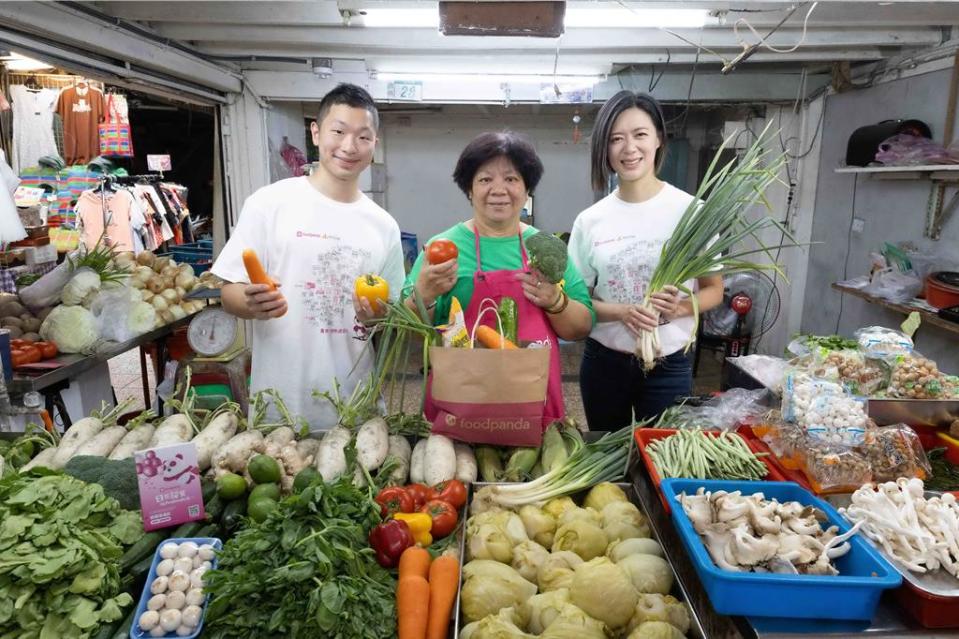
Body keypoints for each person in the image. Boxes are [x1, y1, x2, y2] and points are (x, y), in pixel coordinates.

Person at [212, 84, 405, 430]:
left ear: (374, 144)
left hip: (355, 407)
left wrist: (378, 316)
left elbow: (392, 314)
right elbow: (228, 293)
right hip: (279, 405)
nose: (349, 146)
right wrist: (249, 302)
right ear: (316, 133)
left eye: (363, 137)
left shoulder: (383, 225)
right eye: (339, 131)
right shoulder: (269, 204)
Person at [405, 131, 595, 425]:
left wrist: (556, 301)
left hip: (533, 400)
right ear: (468, 188)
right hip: (461, 402)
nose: (498, 189)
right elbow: (408, 329)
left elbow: (580, 327)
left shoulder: (547, 250)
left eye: (511, 179)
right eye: (484, 179)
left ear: (527, 188)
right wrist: (424, 295)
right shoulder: (441, 248)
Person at [568, 91, 724, 430]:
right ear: (605, 150)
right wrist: (621, 311)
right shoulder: (591, 220)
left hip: (669, 362)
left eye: (640, 135)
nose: (629, 148)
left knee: (661, 460)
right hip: (605, 362)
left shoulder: (691, 212)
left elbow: (714, 290)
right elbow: (576, 301)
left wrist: (680, 308)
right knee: (606, 463)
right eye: (616, 139)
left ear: (658, 140)